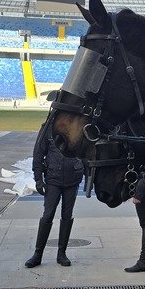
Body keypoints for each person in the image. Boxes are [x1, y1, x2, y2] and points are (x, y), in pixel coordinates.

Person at [25, 112, 85, 267]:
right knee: (48, 214)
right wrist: (38, 179)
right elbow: (38, 154)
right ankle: (38, 254)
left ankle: (62, 253)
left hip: (72, 179)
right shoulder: (48, 128)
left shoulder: (79, 127)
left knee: (67, 215)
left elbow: (87, 151)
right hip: (53, 179)